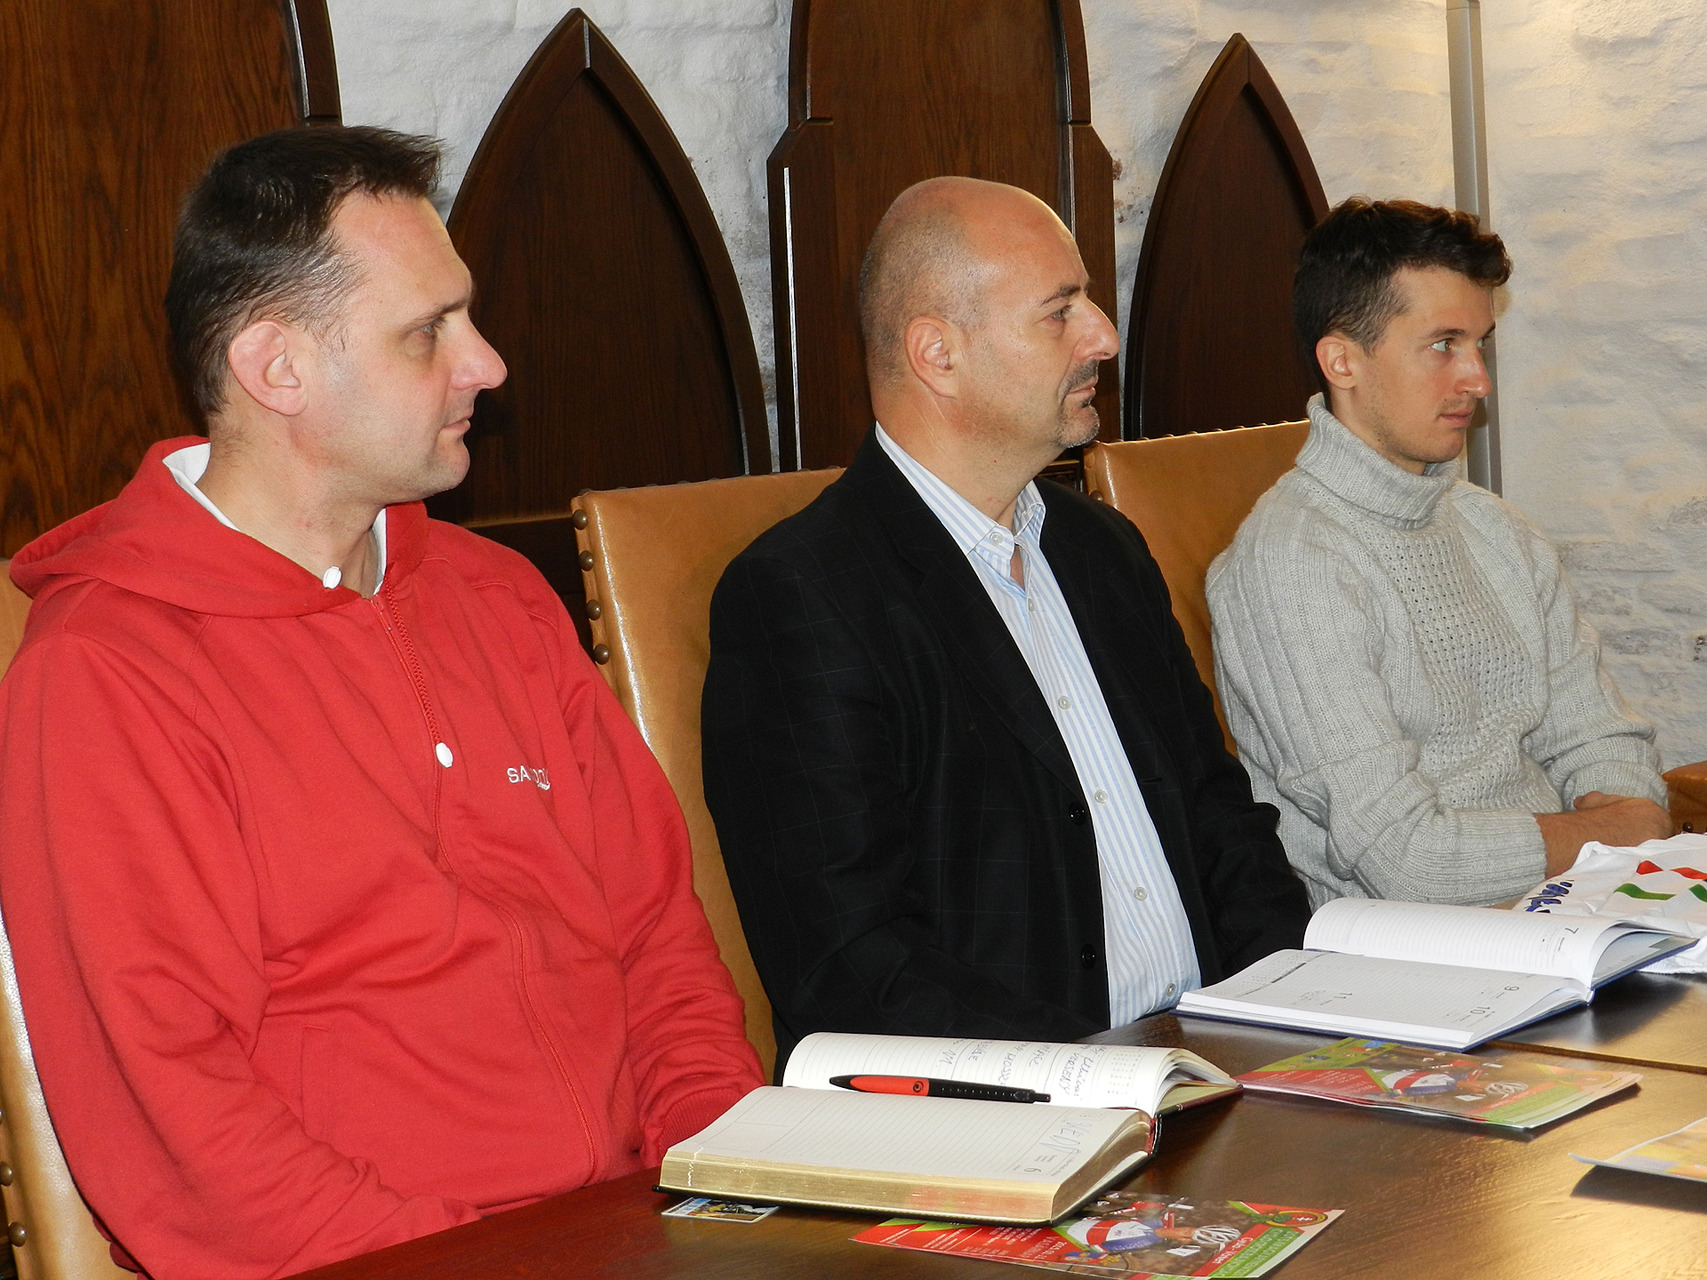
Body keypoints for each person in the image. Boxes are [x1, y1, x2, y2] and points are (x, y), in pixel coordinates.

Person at [0, 126, 762, 1280]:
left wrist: (724, 1188)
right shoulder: (110, 671)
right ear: (277, 370)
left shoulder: (498, 597)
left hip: (637, 1229)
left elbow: (660, 939)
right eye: (427, 332)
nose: (487, 363)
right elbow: (182, 1128)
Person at [701, 177, 1308, 1069]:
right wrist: (1108, 1073)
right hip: (1026, 1101)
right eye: (1059, 312)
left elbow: (1221, 822)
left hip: (1213, 1057)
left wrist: (1290, 1014)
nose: (1102, 336)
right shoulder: (802, 595)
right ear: (937, 354)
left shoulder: (1100, 548)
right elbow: (851, 966)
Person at [1207, 197, 1669, 910]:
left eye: (1478, 343)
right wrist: (1611, 834)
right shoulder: (1290, 565)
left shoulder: (1496, 529)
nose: (1477, 379)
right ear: (1341, 360)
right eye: (1443, 344)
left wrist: (1615, 830)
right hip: (1409, 946)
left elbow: (1599, 737)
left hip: (1566, 904)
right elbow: (1407, 863)